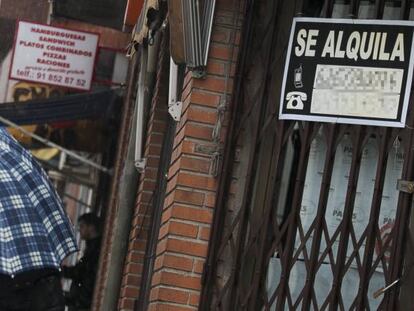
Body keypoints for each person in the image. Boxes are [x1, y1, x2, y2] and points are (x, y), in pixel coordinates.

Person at [62, 213, 102, 311]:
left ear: (91, 227)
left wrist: (61, 271)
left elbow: (81, 273)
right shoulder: (90, 248)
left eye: (82, 226)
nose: (79, 230)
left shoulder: (95, 249)